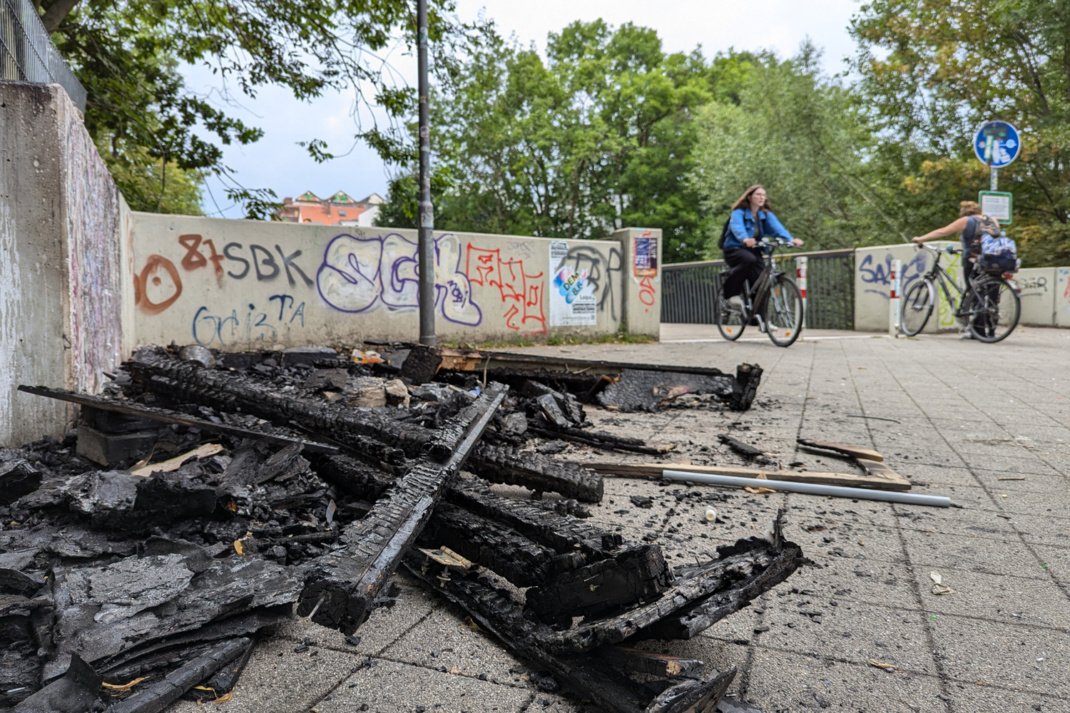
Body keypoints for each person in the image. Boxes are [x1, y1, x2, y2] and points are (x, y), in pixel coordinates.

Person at [912, 201, 999, 338]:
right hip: (994, 261)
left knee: (974, 294)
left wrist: (920, 239)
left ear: (964, 212)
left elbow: (943, 231)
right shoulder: (992, 219)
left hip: (973, 261)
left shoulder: (967, 220)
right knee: (992, 295)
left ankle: (979, 331)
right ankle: (992, 331)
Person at [720, 186, 803, 314]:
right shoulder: (738, 212)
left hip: (753, 249)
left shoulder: (764, 214)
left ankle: (759, 318)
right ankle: (731, 294)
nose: (761, 197)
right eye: (758, 194)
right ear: (749, 197)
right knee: (749, 260)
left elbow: (777, 228)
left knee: (760, 281)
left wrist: (790, 240)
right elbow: (737, 226)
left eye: (764, 195)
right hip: (734, 249)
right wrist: (744, 238)